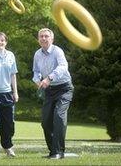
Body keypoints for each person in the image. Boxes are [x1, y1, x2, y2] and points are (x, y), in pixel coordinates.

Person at [32, 28, 74, 159]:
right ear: (38, 39)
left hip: (64, 89)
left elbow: (63, 67)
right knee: (45, 122)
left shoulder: (57, 51)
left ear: (52, 39)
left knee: (59, 118)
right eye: (41, 37)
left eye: (46, 36)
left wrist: (49, 78)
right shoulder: (37, 54)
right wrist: (37, 80)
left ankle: (58, 152)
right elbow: (36, 71)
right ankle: (53, 151)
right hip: (49, 91)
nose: (43, 38)